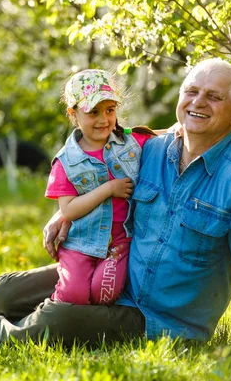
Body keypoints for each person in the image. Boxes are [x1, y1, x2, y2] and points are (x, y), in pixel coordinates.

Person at [0, 58, 231, 356]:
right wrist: (63, 212)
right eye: (191, 92)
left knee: (60, 322)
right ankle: (14, 315)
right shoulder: (152, 149)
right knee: (5, 291)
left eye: (214, 97)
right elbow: (105, 165)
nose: (199, 102)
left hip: (158, 318)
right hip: (114, 273)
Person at [46, 69, 155, 305]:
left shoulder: (131, 142)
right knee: (73, 295)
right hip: (80, 241)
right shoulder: (66, 161)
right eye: (93, 112)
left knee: (103, 293)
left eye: (110, 110)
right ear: (73, 113)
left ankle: (97, 329)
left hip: (119, 240)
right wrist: (108, 189)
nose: (103, 119)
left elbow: (166, 135)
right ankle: (51, 319)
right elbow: (68, 211)